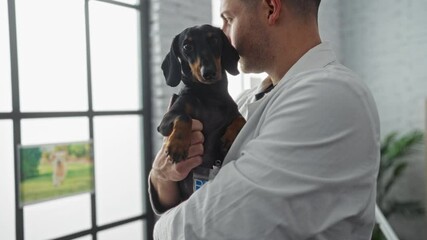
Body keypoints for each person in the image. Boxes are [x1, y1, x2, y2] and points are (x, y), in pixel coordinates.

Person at [149, 0, 381, 239]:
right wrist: (161, 174)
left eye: (228, 19)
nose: (224, 35)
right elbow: (186, 189)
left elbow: (204, 229)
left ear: (271, 8)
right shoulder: (242, 101)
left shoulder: (329, 93)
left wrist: (161, 226)